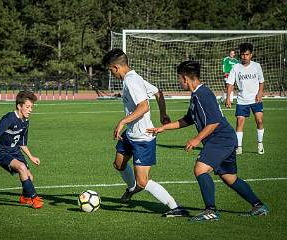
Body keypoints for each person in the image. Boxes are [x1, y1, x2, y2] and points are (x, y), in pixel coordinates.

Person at [147, 60, 268, 222]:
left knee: (200, 169)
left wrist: (197, 138)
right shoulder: (196, 94)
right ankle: (258, 205)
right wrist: (164, 128)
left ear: (185, 78)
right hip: (223, 139)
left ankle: (210, 211)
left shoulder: (203, 94)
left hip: (221, 139)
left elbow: (215, 121)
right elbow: (188, 119)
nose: (178, 81)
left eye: (178, 78)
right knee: (229, 177)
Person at [102, 48, 189, 217]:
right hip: (131, 133)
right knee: (118, 164)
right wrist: (163, 113)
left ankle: (175, 207)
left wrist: (123, 121)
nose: (110, 74)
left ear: (116, 68)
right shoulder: (134, 77)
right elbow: (158, 93)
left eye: (110, 70)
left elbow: (144, 107)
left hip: (143, 137)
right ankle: (131, 188)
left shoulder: (131, 81)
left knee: (143, 182)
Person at [0, 91, 43, 209]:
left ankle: (25, 197)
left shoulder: (25, 121)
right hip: (1, 151)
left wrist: (31, 157)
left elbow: (22, 143)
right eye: (27, 107)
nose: (30, 110)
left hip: (14, 151)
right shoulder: (9, 118)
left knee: (30, 177)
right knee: (22, 168)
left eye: (32, 107)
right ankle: (34, 198)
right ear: (19, 106)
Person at [225, 43, 265, 155]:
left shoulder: (257, 66)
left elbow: (261, 81)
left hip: (256, 99)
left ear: (251, 55)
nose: (244, 57)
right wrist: (228, 98)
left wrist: (260, 93)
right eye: (242, 55)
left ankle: (260, 144)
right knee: (239, 121)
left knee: (260, 120)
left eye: (247, 54)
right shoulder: (236, 67)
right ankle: (239, 147)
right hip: (242, 100)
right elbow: (230, 84)